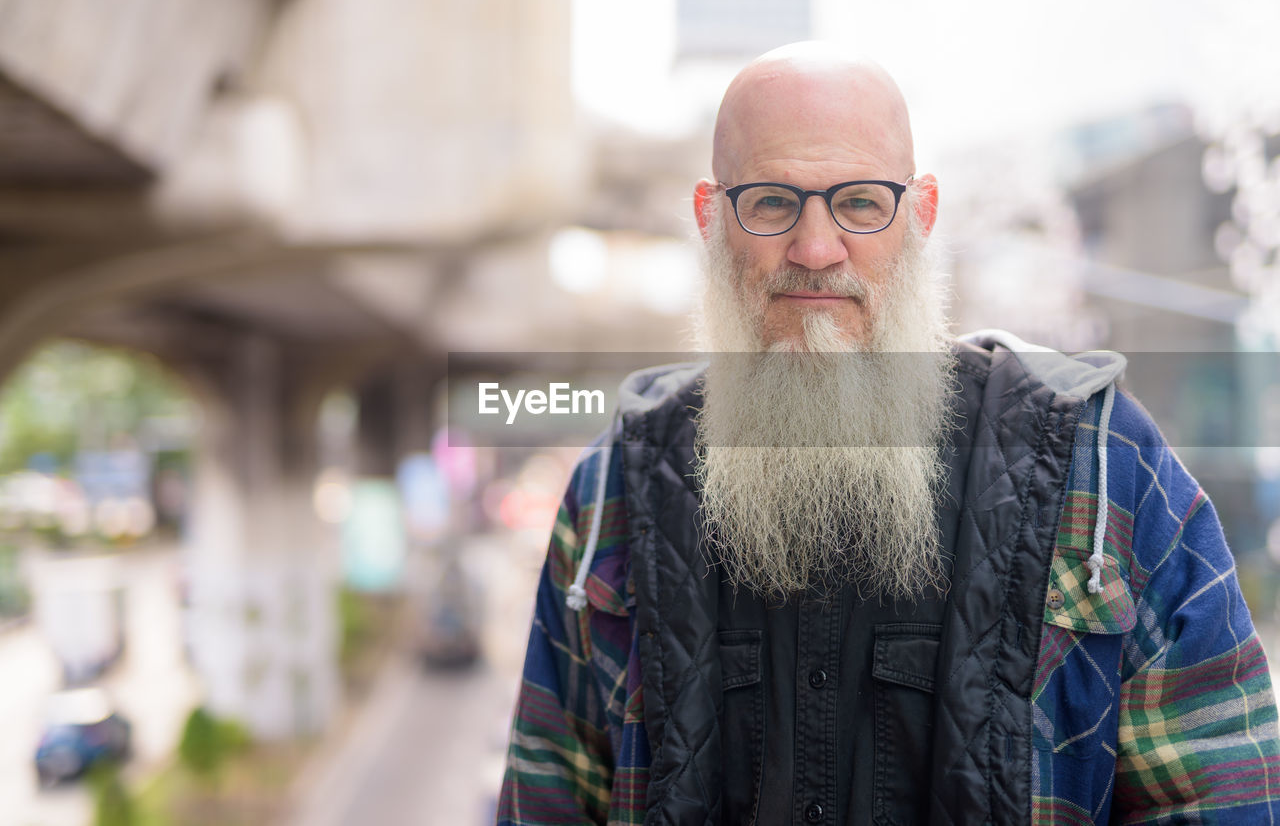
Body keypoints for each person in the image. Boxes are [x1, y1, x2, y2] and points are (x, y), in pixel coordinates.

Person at [497, 43, 1280, 824]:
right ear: (710, 219)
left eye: (860, 203)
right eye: (771, 202)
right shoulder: (614, 490)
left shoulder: (1104, 466)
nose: (814, 249)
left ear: (920, 215)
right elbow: (544, 802)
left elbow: (1228, 799)